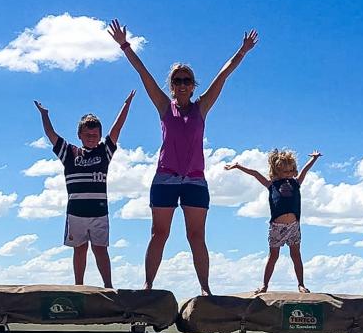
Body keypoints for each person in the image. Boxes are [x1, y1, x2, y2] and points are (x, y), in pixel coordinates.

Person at [107, 19, 257, 295]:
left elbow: (222, 76)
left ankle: (205, 289)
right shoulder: (165, 106)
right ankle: (148, 286)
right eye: (178, 80)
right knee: (159, 234)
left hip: (195, 180)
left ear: (193, 85)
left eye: (187, 80)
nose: (183, 84)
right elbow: (144, 74)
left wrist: (243, 51)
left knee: (196, 236)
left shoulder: (202, 107)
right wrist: (125, 46)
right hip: (165, 177)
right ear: (172, 85)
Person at [33, 91, 135, 287]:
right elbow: (51, 135)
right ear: (79, 135)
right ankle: (79, 287)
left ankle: (108, 287)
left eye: (95, 135)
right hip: (76, 214)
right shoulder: (70, 153)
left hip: (99, 212)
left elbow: (116, 129)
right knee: (79, 249)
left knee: (100, 249)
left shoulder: (104, 152)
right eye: (87, 135)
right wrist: (44, 115)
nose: (91, 138)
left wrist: (126, 104)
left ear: (99, 136)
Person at [225, 149, 320, 294]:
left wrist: (314, 159)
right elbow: (255, 173)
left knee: (296, 255)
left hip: (293, 226)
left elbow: (306, 170)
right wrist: (238, 166)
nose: (287, 174)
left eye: (290, 171)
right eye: (284, 172)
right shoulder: (271, 185)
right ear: (276, 171)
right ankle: (264, 285)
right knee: (273, 256)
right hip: (277, 226)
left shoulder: (296, 183)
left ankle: (301, 284)